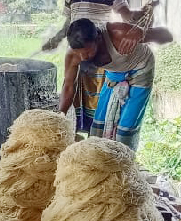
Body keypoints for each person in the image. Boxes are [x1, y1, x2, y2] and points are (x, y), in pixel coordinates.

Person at [43, 0, 149, 134]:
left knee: (101, 99)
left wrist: (138, 16)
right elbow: (68, 23)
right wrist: (57, 39)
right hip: (77, 47)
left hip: (99, 47)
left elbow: (125, 14)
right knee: (72, 89)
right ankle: (77, 132)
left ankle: (101, 137)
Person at [59, 18, 172, 150]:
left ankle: (124, 163)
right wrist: (60, 116)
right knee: (99, 123)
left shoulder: (119, 33)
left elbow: (167, 35)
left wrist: (141, 33)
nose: (83, 58)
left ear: (99, 39)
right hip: (115, 73)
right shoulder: (74, 54)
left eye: (88, 52)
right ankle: (99, 159)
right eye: (80, 54)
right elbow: (68, 86)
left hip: (141, 68)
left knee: (126, 127)